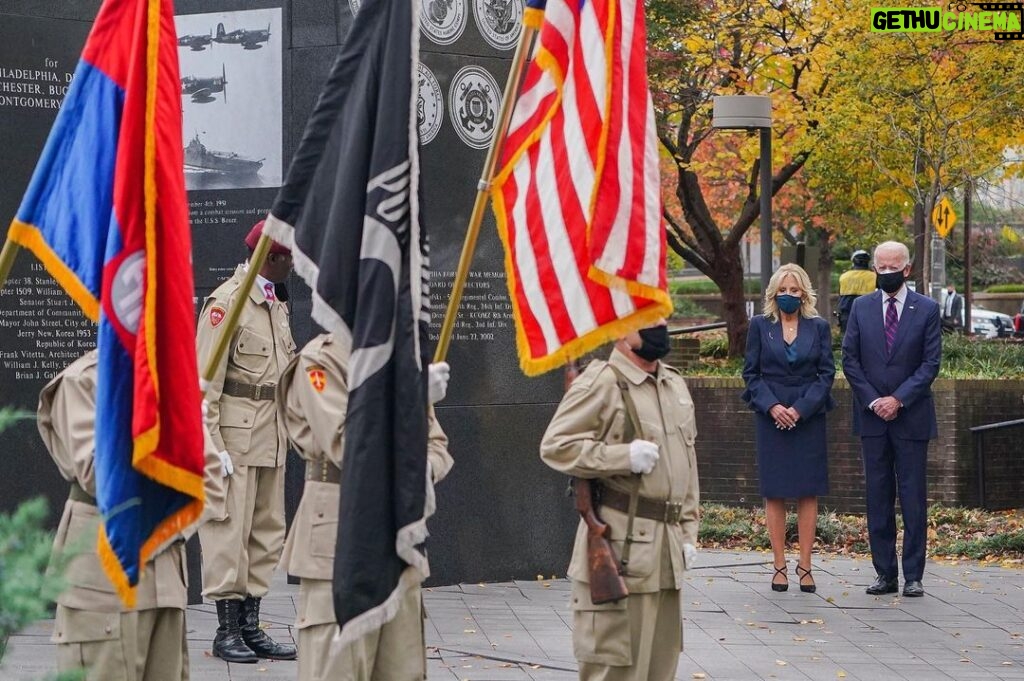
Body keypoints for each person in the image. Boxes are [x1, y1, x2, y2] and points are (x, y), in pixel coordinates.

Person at [38, 350, 224, 680]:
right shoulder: (83, 381)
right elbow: (98, 474)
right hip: (102, 581)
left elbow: (209, 482)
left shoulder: (170, 382)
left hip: (165, 581)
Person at [277, 333, 453, 680]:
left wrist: (416, 473)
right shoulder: (321, 359)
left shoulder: (396, 355)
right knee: (339, 669)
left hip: (397, 537)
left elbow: (436, 445)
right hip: (337, 540)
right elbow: (348, 445)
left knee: (402, 670)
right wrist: (411, 398)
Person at [539, 320, 699, 681]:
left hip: (667, 556)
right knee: (614, 672)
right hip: (620, 550)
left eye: (660, 316)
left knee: (661, 670)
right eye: (645, 317)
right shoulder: (602, 382)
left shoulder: (673, 384)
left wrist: (688, 531)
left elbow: (688, 465)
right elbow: (555, 446)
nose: (658, 325)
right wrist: (621, 457)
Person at [195, 220, 297, 662]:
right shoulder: (228, 304)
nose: (294, 265)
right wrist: (212, 448)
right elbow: (203, 385)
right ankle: (226, 630)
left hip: (271, 435)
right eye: (289, 257)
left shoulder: (275, 305)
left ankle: (251, 624)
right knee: (227, 533)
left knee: (265, 533)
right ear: (270, 258)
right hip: (232, 440)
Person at [842, 241, 941, 598]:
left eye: (893, 267)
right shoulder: (860, 308)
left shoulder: (926, 309)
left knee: (913, 498)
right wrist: (873, 401)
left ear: (907, 269)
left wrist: (898, 399)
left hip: (911, 417)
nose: (886, 273)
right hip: (872, 420)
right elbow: (850, 360)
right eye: (881, 268)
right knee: (878, 496)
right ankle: (885, 574)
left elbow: (930, 364)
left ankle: (914, 575)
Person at [742, 263, 835, 594]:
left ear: (804, 293)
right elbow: (751, 373)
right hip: (771, 416)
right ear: (773, 293)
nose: (788, 296)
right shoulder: (759, 326)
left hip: (808, 416)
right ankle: (779, 564)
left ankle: (806, 565)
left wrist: (800, 409)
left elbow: (827, 373)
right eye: (782, 290)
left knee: (807, 490)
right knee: (776, 490)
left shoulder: (819, 326)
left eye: (794, 290)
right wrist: (773, 407)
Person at [836, 250, 876, 334]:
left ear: (853, 261)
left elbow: (840, 296)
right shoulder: (874, 276)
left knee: (847, 340)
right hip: (868, 314)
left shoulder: (844, 276)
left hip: (847, 315)